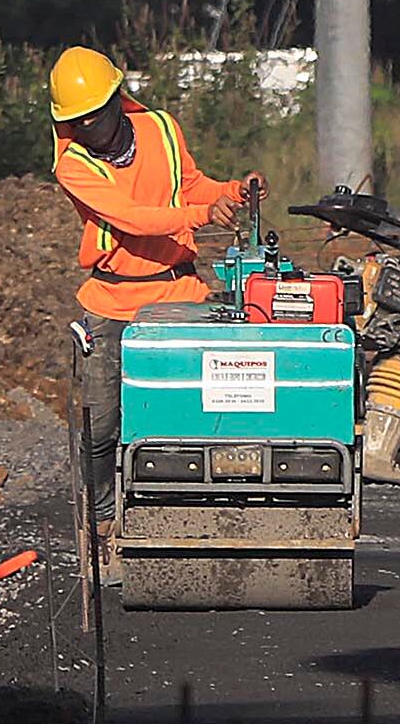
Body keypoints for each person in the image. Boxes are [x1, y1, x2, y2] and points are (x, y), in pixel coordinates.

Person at [50, 47, 256, 526]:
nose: (85, 128)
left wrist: (231, 192)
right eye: (74, 121)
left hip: (180, 296)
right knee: (100, 427)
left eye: (93, 117)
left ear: (117, 100)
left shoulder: (161, 128)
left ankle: (193, 514)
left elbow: (191, 185)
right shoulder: (73, 165)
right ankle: (102, 522)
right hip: (113, 305)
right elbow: (134, 218)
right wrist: (201, 215)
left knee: (193, 415)